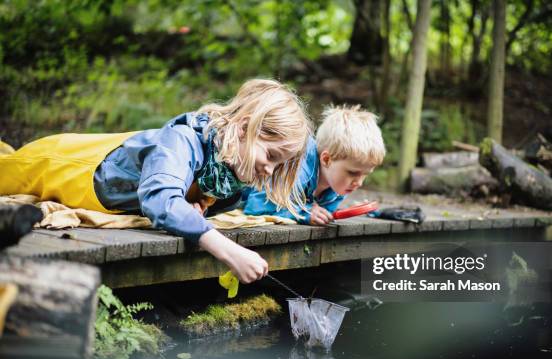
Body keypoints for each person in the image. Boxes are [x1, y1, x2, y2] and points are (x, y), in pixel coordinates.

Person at [0, 79, 311, 283]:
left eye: (279, 164)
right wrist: (228, 250)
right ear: (244, 128)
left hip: (101, 196)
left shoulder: (229, 179)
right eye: (270, 156)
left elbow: (183, 198)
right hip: (61, 163)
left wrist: (193, 205)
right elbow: (160, 198)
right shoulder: (183, 140)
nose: (270, 170)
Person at [243, 105, 385, 225]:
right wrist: (302, 213)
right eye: (353, 173)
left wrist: (338, 213)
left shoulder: (338, 183)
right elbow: (255, 207)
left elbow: (323, 212)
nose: (359, 183)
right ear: (327, 159)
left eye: (365, 174)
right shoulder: (296, 169)